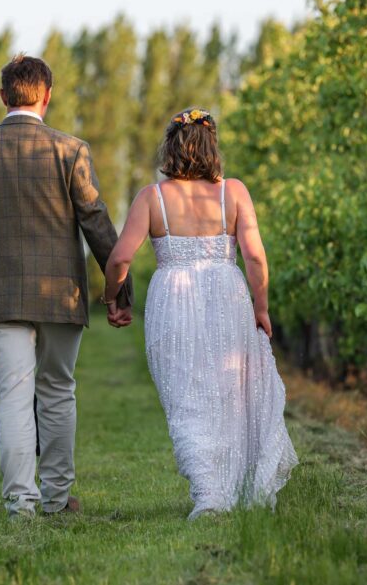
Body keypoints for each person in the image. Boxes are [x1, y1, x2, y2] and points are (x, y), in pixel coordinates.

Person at [0, 54, 132, 519]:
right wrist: (119, 291)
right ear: (47, 96)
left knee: (13, 393)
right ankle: (55, 498)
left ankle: (19, 503)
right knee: (58, 391)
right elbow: (97, 223)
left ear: (3, 96)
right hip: (61, 293)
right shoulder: (71, 150)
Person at [102, 107, 297, 520]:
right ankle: (223, 487)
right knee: (227, 390)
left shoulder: (151, 198)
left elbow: (120, 258)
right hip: (226, 292)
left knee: (186, 395)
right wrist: (261, 307)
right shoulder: (235, 192)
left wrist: (111, 297)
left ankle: (209, 493)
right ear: (213, 147)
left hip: (173, 296)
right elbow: (256, 258)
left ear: (170, 148)